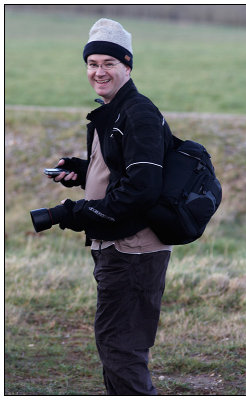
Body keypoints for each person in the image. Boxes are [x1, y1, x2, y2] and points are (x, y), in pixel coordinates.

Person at [48, 18, 174, 395]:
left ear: (127, 65)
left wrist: (75, 213)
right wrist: (84, 172)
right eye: (92, 63)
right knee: (116, 345)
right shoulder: (115, 111)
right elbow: (127, 174)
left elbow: (143, 188)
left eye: (108, 63)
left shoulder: (137, 113)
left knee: (121, 347)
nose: (98, 72)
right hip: (119, 247)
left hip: (132, 250)